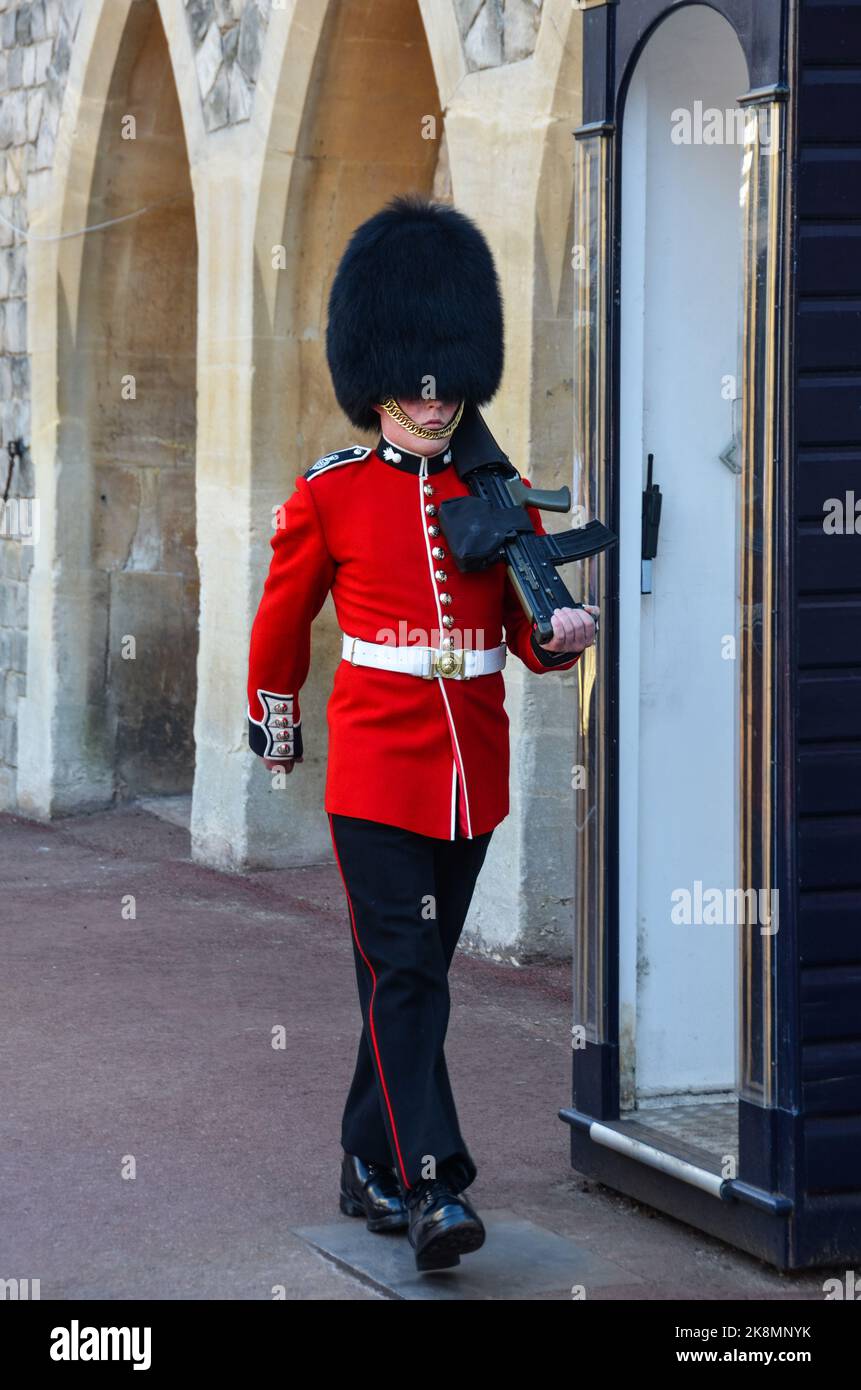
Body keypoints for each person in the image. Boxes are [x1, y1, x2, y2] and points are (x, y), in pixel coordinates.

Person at [246, 194, 598, 1273]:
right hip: (374, 779)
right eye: (415, 381)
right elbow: (278, 620)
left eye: (447, 381)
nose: (436, 402)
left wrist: (564, 636)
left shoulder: (496, 494)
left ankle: (363, 1159)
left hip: (469, 781)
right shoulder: (334, 495)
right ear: (379, 380)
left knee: (409, 981)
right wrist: (278, 728)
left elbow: (520, 634)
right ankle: (431, 1183)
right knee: (409, 978)